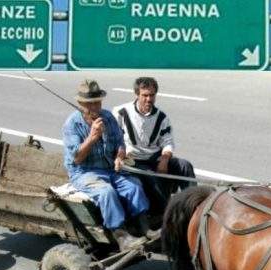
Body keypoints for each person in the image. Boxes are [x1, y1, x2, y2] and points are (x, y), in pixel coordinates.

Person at [62, 79, 159, 251]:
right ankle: (121, 236)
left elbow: (120, 142)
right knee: (107, 192)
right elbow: (76, 158)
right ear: (80, 104)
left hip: (109, 168)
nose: (95, 107)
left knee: (134, 186)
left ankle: (145, 228)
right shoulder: (72, 124)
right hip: (84, 172)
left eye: (97, 102)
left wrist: (119, 156)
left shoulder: (107, 117)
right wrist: (92, 138)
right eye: (90, 104)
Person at [113, 77, 195, 212]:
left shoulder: (162, 117)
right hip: (132, 160)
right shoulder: (121, 112)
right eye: (144, 95)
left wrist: (164, 160)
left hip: (154, 158)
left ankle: (193, 207)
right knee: (153, 178)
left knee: (185, 166)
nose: (148, 99)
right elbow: (114, 138)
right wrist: (119, 154)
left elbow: (167, 141)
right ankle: (164, 215)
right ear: (137, 95)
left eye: (152, 95)